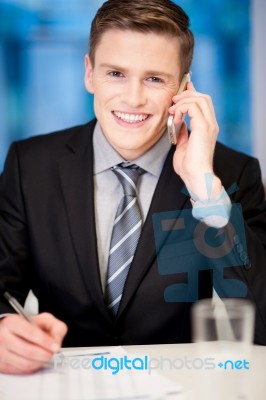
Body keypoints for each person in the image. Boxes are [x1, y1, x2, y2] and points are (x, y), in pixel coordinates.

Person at [0, 0, 266, 375]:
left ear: (184, 87)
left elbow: (259, 319)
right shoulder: (30, 166)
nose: (134, 98)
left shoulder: (229, 173)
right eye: (116, 73)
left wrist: (204, 189)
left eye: (155, 78)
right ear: (89, 73)